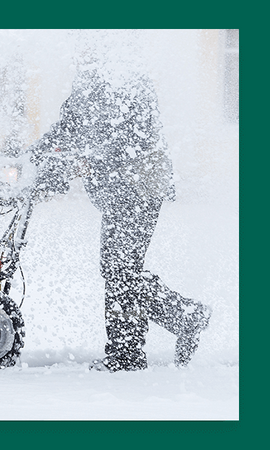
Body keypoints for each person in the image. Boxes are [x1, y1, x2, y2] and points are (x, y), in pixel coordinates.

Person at [27, 69, 212, 371]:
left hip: (140, 187)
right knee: (119, 269)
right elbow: (67, 128)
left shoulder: (130, 79)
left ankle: (129, 353)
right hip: (118, 191)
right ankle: (183, 317)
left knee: (120, 269)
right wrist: (29, 158)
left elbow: (124, 135)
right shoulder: (89, 81)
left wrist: (82, 157)